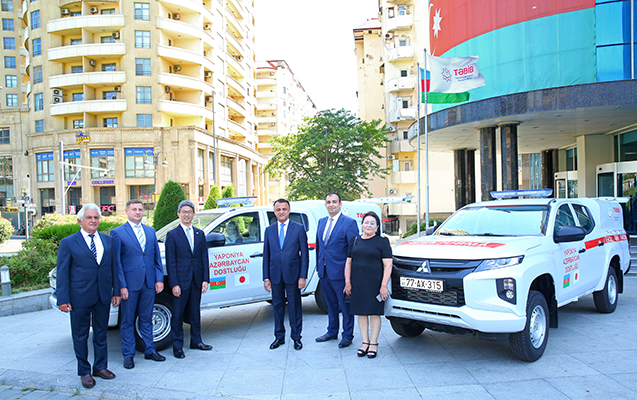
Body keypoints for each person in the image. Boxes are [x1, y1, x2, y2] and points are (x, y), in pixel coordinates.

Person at [56, 203, 121, 389]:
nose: (93, 220)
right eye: (89, 217)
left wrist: (116, 291)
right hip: (79, 297)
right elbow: (63, 272)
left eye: (96, 217)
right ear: (80, 221)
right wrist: (63, 298)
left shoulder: (108, 241)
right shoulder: (68, 242)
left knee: (101, 333)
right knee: (80, 335)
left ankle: (100, 367)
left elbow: (114, 267)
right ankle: (84, 371)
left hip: (102, 295)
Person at [111, 199, 165, 369]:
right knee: (127, 321)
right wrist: (121, 286)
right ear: (126, 211)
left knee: (147, 318)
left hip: (148, 283)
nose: (137, 212)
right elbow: (116, 262)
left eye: (140, 209)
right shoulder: (117, 233)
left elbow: (156, 257)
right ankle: (128, 355)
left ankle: (150, 350)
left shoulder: (150, 231)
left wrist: (159, 279)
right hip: (129, 284)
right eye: (134, 209)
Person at [165, 200, 212, 358]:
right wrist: (174, 284)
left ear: (193, 214)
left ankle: (196, 341)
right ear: (178, 214)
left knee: (195, 313)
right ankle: (177, 346)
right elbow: (171, 262)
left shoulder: (199, 234)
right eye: (184, 212)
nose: (187, 214)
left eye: (189, 212)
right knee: (178, 315)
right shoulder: (172, 235)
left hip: (196, 280)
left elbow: (204, 257)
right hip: (181, 282)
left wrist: (205, 279)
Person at [344, 211, 392, 359]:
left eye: (372, 223)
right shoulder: (355, 240)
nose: (368, 225)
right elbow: (348, 263)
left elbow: (388, 265)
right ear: (362, 224)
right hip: (358, 283)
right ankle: (365, 342)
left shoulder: (382, 242)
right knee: (361, 313)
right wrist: (348, 283)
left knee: (374, 313)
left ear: (377, 227)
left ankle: (374, 343)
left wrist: (384, 286)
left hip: (375, 284)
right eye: (366, 222)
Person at [262, 199, 309, 351]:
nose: (281, 212)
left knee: (294, 306)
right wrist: (266, 277)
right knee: (277, 306)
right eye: (278, 209)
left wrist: (302, 276)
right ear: (274, 212)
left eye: (284, 209)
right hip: (275, 275)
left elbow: (305, 255)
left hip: (293, 275)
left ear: (289, 211)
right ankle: (279, 337)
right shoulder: (269, 230)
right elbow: (266, 255)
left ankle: (296, 337)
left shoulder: (298, 228)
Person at [315, 192, 359, 348]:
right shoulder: (321, 222)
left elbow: (353, 250)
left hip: (341, 273)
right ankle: (332, 331)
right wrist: (319, 267)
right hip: (324, 271)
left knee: (345, 306)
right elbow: (320, 247)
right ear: (325, 204)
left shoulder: (349, 223)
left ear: (340, 204)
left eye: (334, 201)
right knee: (330, 304)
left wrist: (350, 276)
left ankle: (347, 335)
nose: (331, 204)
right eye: (328, 202)